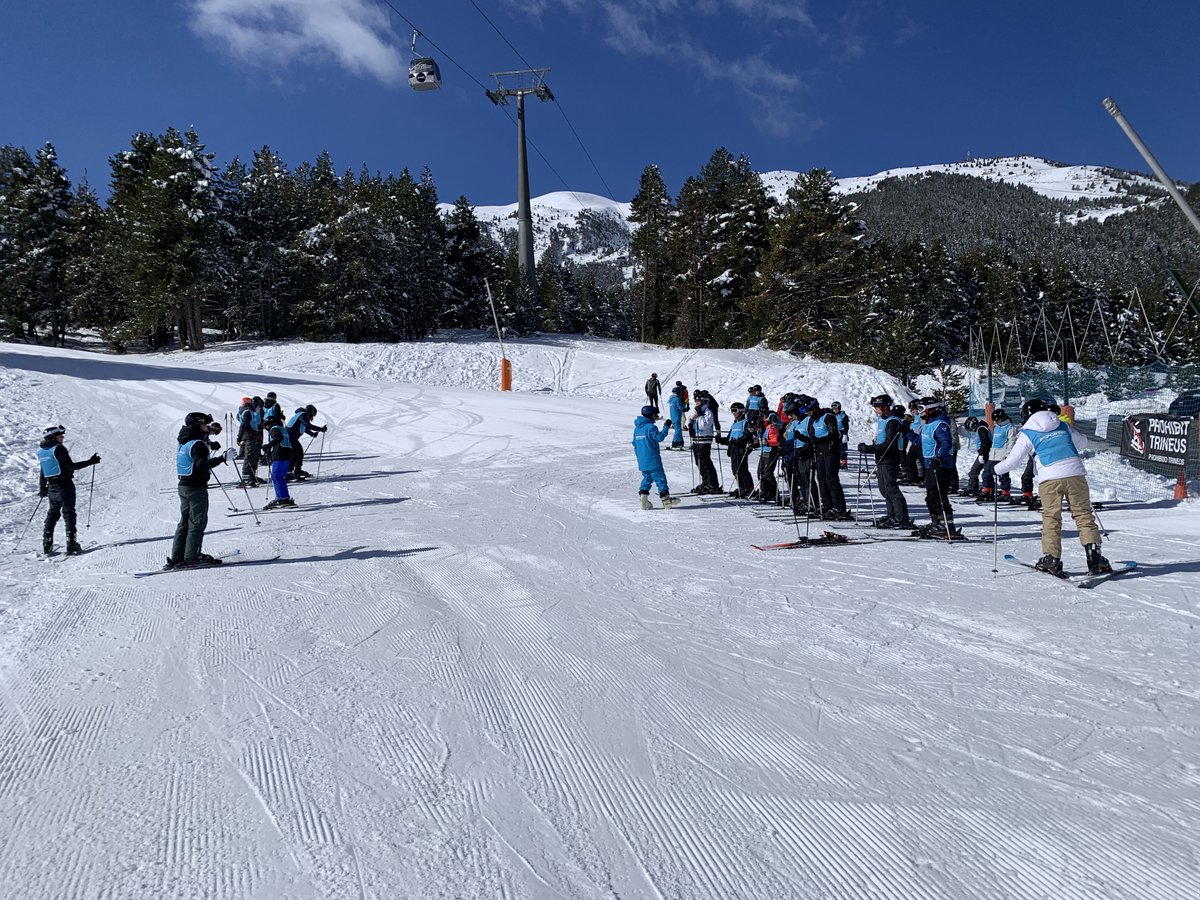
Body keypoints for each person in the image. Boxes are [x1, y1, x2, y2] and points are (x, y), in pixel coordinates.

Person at [994, 399, 1111, 576]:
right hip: (1075, 473)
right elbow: (1082, 443)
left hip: (1049, 478)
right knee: (1083, 514)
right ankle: (1095, 558)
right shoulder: (1062, 425)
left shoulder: (1027, 432)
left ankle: (1051, 559)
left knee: (1052, 518)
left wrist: (995, 469)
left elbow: (1013, 461)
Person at [169, 412, 237, 569]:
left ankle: (178, 556)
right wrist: (222, 458)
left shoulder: (184, 440)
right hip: (195, 488)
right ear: (197, 426)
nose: (207, 427)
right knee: (197, 522)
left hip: (184, 486)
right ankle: (192, 557)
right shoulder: (197, 444)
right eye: (204, 425)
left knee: (185, 522)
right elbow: (201, 465)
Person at [37, 424, 101, 555]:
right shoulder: (58, 449)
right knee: (69, 513)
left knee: (52, 513)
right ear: (54, 437)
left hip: (51, 487)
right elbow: (70, 466)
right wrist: (90, 461)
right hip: (65, 486)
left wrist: (42, 488)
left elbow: (43, 471)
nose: (62, 438)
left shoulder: (42, 452)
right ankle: (71, 544)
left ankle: (47, 543)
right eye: (60, 436)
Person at [857, 394, 913, 529]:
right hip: (882, 458)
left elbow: (889, 445)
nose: (875, 410)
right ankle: (891, 515)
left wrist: (869, 449)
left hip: (889, 458)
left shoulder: (892, 422)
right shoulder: (883, 419)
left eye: (877, 407)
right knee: (884, 489)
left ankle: (901, 518)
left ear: (884, 407)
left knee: (891, 488)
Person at [909, 397, 960, 539]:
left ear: (931, 409)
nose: (920, 412)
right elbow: (919, 441)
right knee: (930, 496)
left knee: (939, 495)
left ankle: (947, 525)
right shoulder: (928, 424)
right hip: (929, 464)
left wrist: (939, 457)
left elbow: (946, 443)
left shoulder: (941, 424)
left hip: (940, 465)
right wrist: (907, 432)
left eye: (921, 409)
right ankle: (936, 522)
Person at [806, 401, 849, 519]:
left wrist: (818, 440)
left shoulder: (828, 417)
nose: (808, 414)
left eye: (809, 412)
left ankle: (839, 507)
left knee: (831, 479)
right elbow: (812, 434)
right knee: (821, 479)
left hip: (831, 452)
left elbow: (833, 434)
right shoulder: (813, 420)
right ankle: (827, 504)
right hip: (820, 452)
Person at [632, 405, 679, 509]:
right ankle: (666, 501)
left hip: (642, 460)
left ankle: (643, 499)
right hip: (653, 459)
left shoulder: (637, 429)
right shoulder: (651, 427)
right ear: (650, 415)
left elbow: (634, 444)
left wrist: (640, 456)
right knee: (660, 479)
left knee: (647, 478)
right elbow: (659, 437)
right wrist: (666, 427)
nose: (656, 417)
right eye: (655, 415)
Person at [716, 402, 754, 498]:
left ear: (741, 411)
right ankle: (741, 487)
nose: (733, 413)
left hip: (741, 449)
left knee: (742, 469)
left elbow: (748, 436)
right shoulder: (734, 424)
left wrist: (739, 441)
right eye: (732, 411)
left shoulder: (746, 422)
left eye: (735, 410)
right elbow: (729, 439)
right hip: (733, 449)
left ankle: (749, 488)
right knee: (735, 470)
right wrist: (721, 440)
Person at [262, 413, 296, 509]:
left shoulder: (274, 429)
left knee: (276, 476)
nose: (266, 428)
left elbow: (278, 438)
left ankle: (282, 498)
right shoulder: (282, 429)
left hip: (280, 455)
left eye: (267, 426)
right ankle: (282, 497)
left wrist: (268, 446)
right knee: (280, 477)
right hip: (287, 454)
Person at [687, 396, 720, 494]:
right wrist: (692, 419)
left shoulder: (708, 412)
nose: (697, 402)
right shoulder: (697, 411)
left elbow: (704, 425)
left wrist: (699, 415)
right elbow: (688, 422)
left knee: (705, 463)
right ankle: (705, 481)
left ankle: (712, 484)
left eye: (699, 401)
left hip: (704, 441)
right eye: (696, 401)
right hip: (696, 440)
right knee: (699, 463)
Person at [285, 404, 327, 481]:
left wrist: (312, 434)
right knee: (294, 455)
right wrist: (320, 429)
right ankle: (288, 473)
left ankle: (297, 471)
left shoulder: (302, 415)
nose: (312, 418)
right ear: (310, 412)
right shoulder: (302, 415)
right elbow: (308, 425)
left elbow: (305, 427)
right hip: (288, 438)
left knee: (300, 453)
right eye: (312, 416)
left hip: (292, 438)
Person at [983, 409, 1016, 502]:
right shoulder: (997, 427)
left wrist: (1008, 455)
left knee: (1003, 475)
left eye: (998, 420)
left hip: (1002, 455)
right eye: (995, 420)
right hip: (993, 455)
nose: (997, 422)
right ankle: (987, 491)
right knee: (986, 473)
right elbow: (994, 441)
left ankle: (1005, 493)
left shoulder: (1010, 427)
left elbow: (1011, 442)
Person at [755, 411, 783, 503]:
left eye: (765, 417)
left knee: (767, 473)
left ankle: (774, 493)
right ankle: (764, 492)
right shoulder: (767, 427)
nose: (764, 419)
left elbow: (776, 441)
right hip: (765, 451)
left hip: (771, 451)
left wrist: (768, 442)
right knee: (760, 472)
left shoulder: (773, 427)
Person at [239, 397, 267, 487]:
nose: (260, 409)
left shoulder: (251, 412)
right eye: (259, 407)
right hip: (248, 437)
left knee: (255, 457)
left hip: (253, 436)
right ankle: (246, 478)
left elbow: (254, 423)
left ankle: (251, 476)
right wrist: (239, 438)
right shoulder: (247, 412)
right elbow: (243, 425)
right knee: (249, 457)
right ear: (256, 405)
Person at [962, 416, 992, 498]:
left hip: (985, 453)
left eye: (971, 429)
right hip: (984, 453)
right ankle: (974, 488)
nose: (972, 431)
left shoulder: (981, 429)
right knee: (976, 471)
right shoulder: (981, 428)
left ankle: (985, 490)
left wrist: (982, 454)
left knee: (978, 471)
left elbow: (985, 441)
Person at [830, 401, 850, 469]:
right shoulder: (831, 415)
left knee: (843, 448)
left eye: (836, 409)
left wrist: (845, 434)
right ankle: (836, 461)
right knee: (834, 448)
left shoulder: (843, 415)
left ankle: (843, 463)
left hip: (842, 432)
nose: (835, 410)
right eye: (834, 409)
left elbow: (846, 426)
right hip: (834, 433)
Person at [667, 384, 688, 449]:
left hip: (673, 416)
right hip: (677, 416)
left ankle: (680, 442)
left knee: (678, 429)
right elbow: (680, 407)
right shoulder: (677, 399)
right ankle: (675, 442)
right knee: (678, 430)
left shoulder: (671, 399)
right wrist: (685, 403)